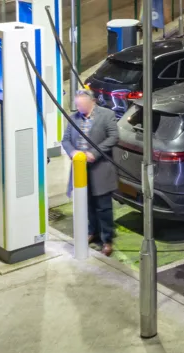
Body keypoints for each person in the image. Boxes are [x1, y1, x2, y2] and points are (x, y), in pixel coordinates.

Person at [61, 89, 120, 256]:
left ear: (92, 102)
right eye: (77, 105)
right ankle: (91, 232)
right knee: (86, 205)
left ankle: (106, 239)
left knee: (103, 207)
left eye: (82, 105)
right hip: (80, 170)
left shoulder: (106, 115)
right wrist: (72, 152)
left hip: (99, 169)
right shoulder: (74, 118)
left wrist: (94, 153)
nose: (79, 108)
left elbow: (113, 137)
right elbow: (65, 139)